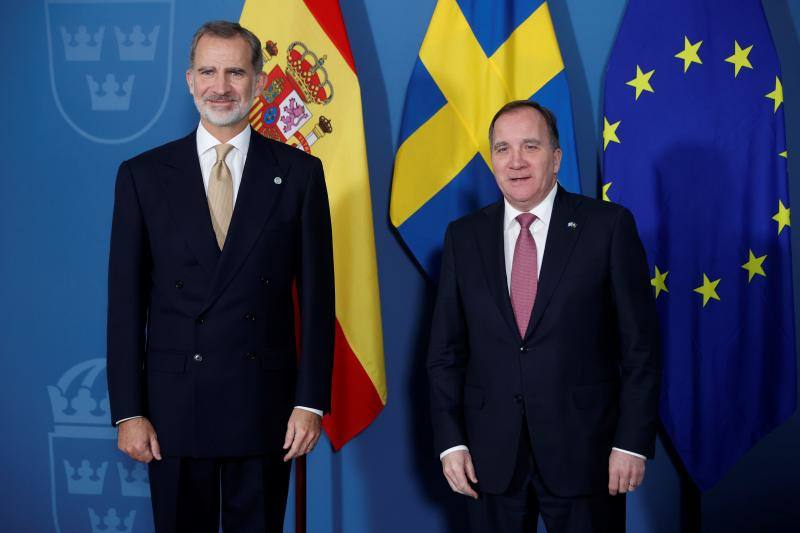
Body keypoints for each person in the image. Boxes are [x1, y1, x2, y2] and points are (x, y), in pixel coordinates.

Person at [106, 20, 334, 532]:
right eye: (208, 71)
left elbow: (319, 301)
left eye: (235, 72)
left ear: (257, 82)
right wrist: (128, 411)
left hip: (265, 407)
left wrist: (310, 401)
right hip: (173, 407)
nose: (221, 86)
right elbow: (124, 304)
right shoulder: (143, 175)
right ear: (189, 80)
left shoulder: (299, 174)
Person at [427, 100, 661, 532]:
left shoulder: (607, 227)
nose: (515, 161)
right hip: (489, 458)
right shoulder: (464, 237)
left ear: (556, 158)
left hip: (587, 454)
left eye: (530, 146)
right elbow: (445, 352)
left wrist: (631, 443)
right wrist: (450, 443)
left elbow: (640, 348)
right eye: (502, 148)